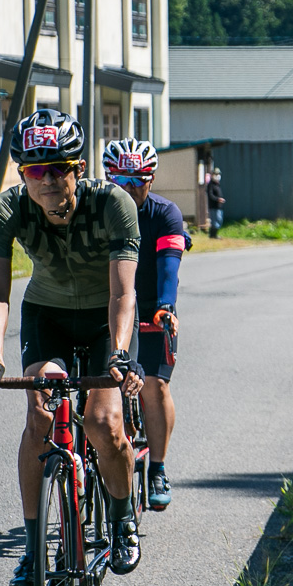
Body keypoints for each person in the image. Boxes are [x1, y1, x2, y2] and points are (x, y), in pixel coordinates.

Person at [0, 108, 146, 586]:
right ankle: (31, 550)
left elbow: (123, 293)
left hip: (102, 319)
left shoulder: (114, 203)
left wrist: (121, 353)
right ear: (22, 174)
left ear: (78, 168)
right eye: (33, 170)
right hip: (47, 315)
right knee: (40, 418)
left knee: (105, 423)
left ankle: (123, 517)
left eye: (57, 168)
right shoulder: (5, 209)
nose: (46, 180)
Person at [103, 138, 190, 510]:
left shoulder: (165, 214)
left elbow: (170, 265)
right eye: (122, 180)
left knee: (153, 386)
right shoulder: (98, 210)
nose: (131, 188)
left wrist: (166, 307)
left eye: (139, 180)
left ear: (151, 180)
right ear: (109, 179)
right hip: (108, 305)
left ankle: (157, 466)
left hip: (152, 306)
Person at [206, 167, 225, 239]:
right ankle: (213, 235)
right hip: (213, 206)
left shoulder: (217, 184)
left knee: (219, 220)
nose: (217, 175)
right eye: (216, 174)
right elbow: (210, 195)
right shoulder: (211, 184)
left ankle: (214, 235)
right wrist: (218, 199)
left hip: (219, 206)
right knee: (215, 221)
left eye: (218, 174)